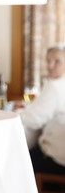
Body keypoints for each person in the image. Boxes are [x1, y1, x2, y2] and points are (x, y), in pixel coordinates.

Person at [17, 45, 65, 175]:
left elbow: (34, 120)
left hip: (56, 157)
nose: (50, 66)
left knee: (17, 159)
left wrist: (14, 114)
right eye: (48, 60)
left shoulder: (56, 86)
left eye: (57, 61)